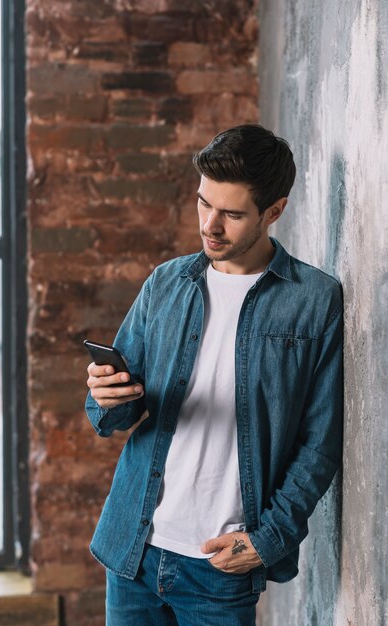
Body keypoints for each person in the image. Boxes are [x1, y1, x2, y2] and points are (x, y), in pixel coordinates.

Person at [85, 124, 343, 626]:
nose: (211, 225)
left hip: (219, 568)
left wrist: (268, 539)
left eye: (231, 213)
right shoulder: (166, 283)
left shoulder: (314, 300)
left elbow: (320, 442)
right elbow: (115, 416)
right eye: (204, 204)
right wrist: (106, 397)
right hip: (133, 550)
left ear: (275, 211)